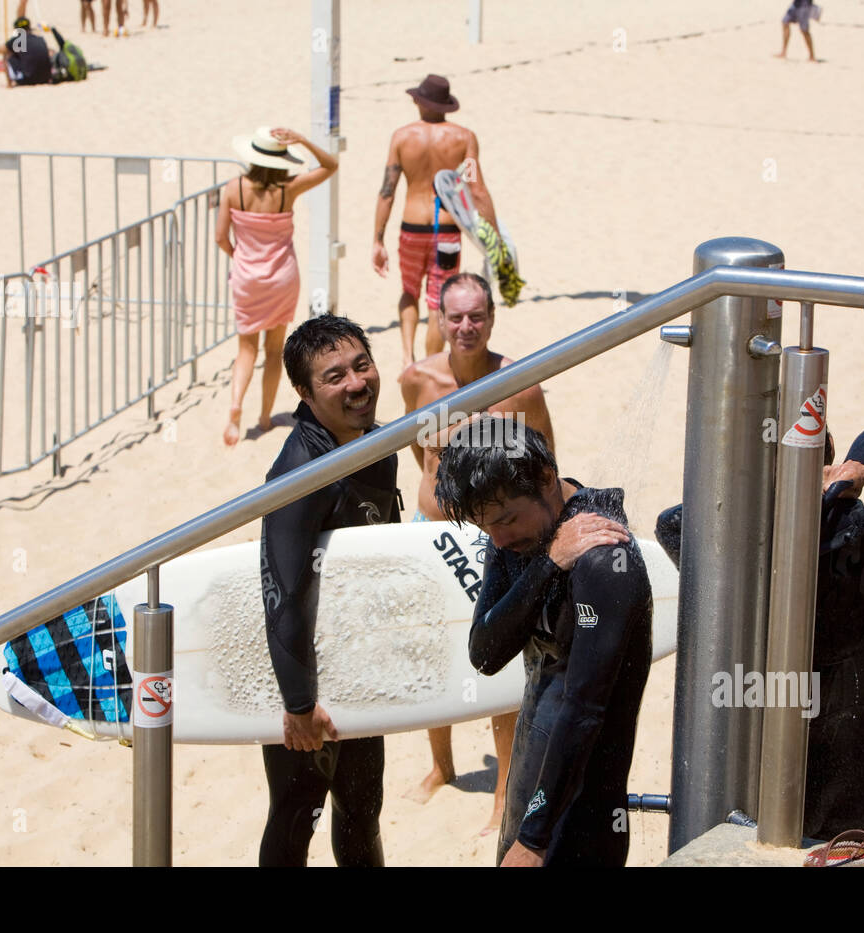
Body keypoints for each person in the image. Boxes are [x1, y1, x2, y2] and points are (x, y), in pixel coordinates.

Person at [654, 416, 864, 841]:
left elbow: (672, 522)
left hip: (763, 759)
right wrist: (858, 465)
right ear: (831, 447)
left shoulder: (749, 568)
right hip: (852, 759)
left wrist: (767, 494)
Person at [434, 416, 652, 867]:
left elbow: (585, 707)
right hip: (531, 782)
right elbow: (486, 653)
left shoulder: (604, 559)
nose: (496, 537)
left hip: (580, 805)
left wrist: (535, 838)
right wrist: (548, 564)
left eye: (506, 520)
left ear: (547, 479)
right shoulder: (518, 534)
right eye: (485, 527)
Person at [398, 273, 555, 835]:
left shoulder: (519, 386)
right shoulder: (416, 380)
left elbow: (545, 469)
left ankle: (502, 794)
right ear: (439, 318)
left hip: (496, 541)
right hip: (429, 532)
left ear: (492, 318)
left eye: (477, 316)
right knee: (430, 651)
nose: (466, 327)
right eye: (456, 316)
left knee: (498, 663)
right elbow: (423, 461)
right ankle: (441, 767)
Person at [259, 315, 399, 867]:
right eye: (335, 376)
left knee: (363, 810)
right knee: (297, 813)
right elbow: (281, 592)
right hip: (302, 676)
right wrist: (297, 704)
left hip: (358, 664)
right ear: (304, 392)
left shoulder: (375, 444)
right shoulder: (299, 474)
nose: (356, 384)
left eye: (362, 365)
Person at [216, 128, 338, 446]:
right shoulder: (288, 188)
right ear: (282, 160)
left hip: (246, 278)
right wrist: (304, 140)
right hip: (281, 277)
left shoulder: (233, 189)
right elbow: (330, 166)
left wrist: (240, 258)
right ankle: (265, 418)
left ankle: (235, 404)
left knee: (245, 349)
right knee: (273, 352)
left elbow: (219, 237)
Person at [373, 74, 500, 370]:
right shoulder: (464, 137)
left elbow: (387, 191)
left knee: (409, 290)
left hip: (411, 227)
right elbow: (477, 189)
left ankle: (408, 359)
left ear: (418, 101)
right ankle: (430, 364)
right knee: (436, 301)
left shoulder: (402, 137)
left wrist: (377, 239)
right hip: (447, 230)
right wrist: (494, 236)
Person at [0, 16, 51, 87]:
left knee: (7, 55)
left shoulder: (18, 39)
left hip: (28, 79)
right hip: (46, 78)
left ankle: (9, 84)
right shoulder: (39, 38)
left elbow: (1, 50)